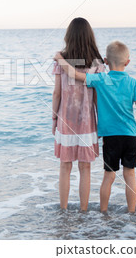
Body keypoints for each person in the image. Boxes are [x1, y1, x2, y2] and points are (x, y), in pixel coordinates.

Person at [54, 40, 136, 213]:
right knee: (130, 174)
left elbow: (74, 74)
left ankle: (103, 212)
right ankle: (132, 212)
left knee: (109, 176)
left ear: (105, 61)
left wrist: (59, 58)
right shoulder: (134, 83)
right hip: (130, 136)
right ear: (128, 61)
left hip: (111, 138)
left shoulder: (101, 80)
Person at [52, 17, 105, 211]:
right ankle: (84, 211)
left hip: (65, 121)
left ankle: (64, 210)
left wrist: (53, 119)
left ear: (69, 36)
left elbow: (57, 93)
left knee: (65, 167)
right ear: (89, 37)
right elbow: (98, 98)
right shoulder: (97, 63)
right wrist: (101, 123)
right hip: (87, 122)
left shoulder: (61, 60)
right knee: (86, 168)